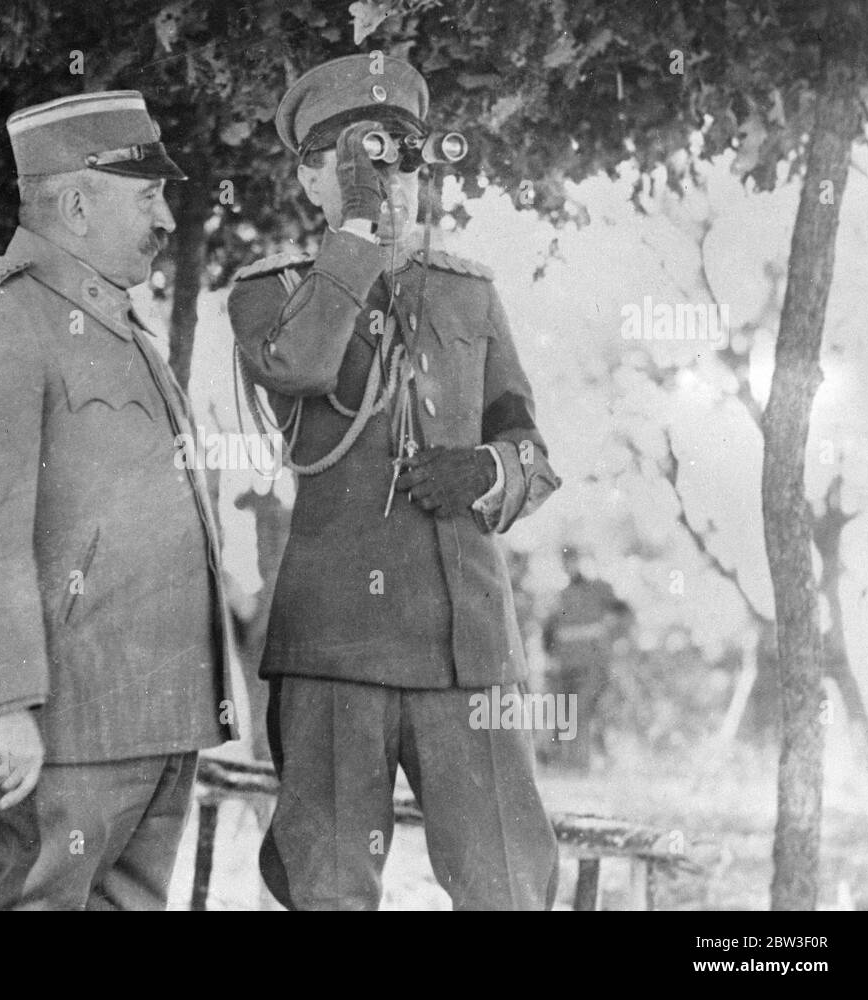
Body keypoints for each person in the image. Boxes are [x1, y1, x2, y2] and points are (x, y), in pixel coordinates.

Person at [228, 55, 561, 910]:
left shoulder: (468, 295)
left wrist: (486, 469)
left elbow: (528, 447)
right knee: (329, 887)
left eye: (408, 157)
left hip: (465, 646)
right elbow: (299, 365)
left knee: (509, 888)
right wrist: (358, 233)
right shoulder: (273, 295)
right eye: (361, 157)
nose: (394, 177)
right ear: (310, 178)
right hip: (337, 648)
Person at [0, 91, 234, 910]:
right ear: (80, 201)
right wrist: (2, 707)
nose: (166, 218)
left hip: (154, 717)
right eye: (148, 195)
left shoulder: (120, 326)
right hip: (58, 726)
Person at [542, 546, 632, 769]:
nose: (570, 566)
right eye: (565, 561)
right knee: (566, 714)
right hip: (566, 667)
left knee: (585, 712)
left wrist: (614, 641)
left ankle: (587, 765)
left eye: (573, 560)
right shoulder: (559, 595)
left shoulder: (600, 589)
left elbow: (624, 615)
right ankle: (570, 765)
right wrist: (551, 659)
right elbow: (548, 632)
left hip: (593, 664)